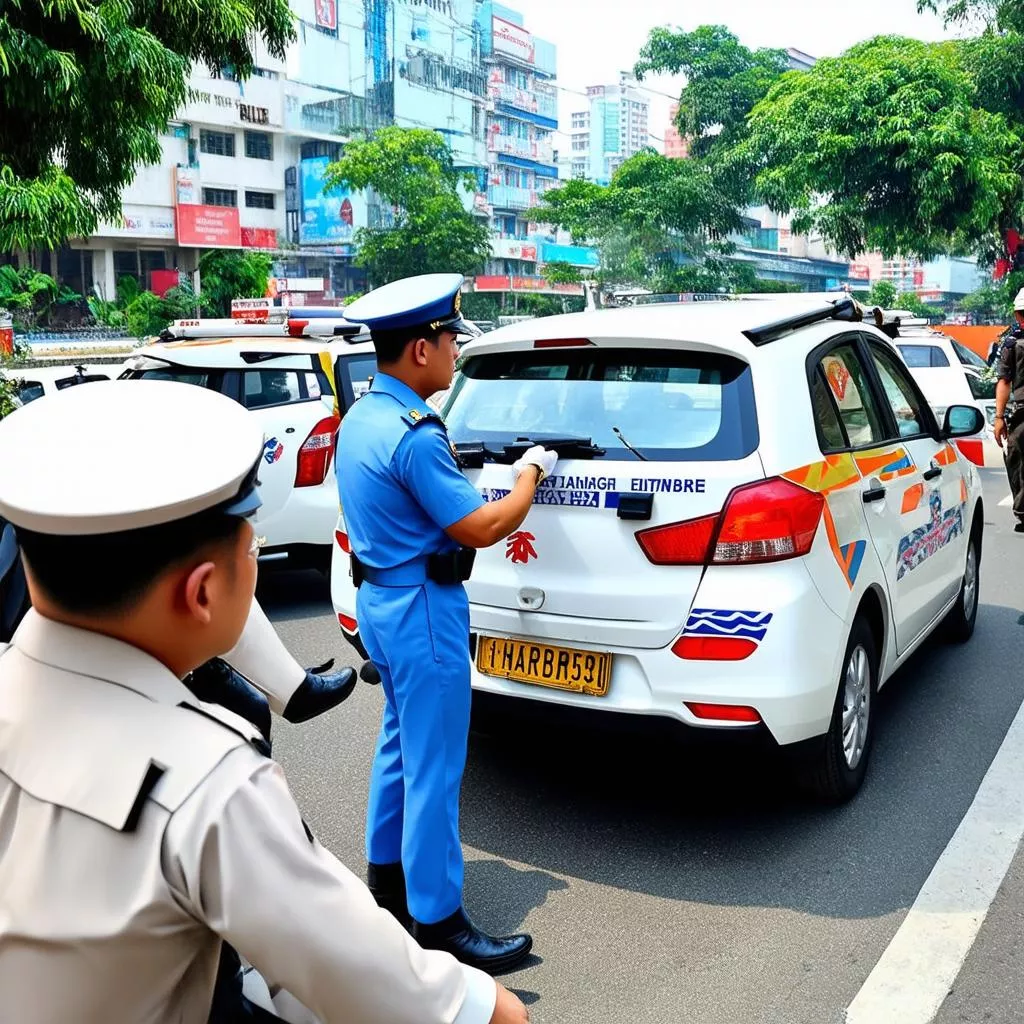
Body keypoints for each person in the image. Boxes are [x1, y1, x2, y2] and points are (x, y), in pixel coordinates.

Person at [0, 379, 528, 1024]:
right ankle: (432, 908)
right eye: (251, 546)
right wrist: (491, 1006)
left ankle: (390, 877)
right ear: (202, 593)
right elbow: (400, 994)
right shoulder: (207, 785)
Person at [337, 274, 557, 974]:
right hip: (424, 612)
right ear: (421, 348)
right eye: (450, 339)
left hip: (381, 603)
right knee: (436, 766)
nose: (456, 349)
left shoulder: (361, 417)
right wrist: (529, 473)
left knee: (401, 746)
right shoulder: (416, 434)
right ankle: (437, 921)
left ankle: (387, 884)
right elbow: (483, 525)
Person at [994, 287, 1024, 533]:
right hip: (1022, 412)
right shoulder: (1012, 344)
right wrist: (999, 417)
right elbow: (1004, 381)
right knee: (1014, 456)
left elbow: (1004, 381)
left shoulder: (1012, 343)